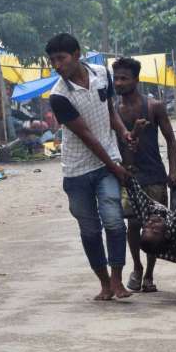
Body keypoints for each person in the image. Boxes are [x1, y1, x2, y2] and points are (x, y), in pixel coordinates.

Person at [46, 33, 133, 301]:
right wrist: (115, 166)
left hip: (106, 164)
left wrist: (122, 131)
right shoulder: (58, 96)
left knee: (115, 222)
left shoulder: (102, 74)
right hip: (77, 170)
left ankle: (117, 281)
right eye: (53, 61)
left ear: (77, 54)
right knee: (90, 230)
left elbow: (110, 111)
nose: (57, 65)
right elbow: (86, 135)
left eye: (61, 58)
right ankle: (104, 282)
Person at [112, 57, 176, 293]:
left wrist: (172, 172)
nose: (119, 83)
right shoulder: (113, 111)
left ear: (136, 80)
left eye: (124, 78)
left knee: (155, 228)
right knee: (132, 225)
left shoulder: (154, 107)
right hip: (129, 177)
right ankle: (137, 268)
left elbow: (171, 141)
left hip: (155, 176)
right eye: (116, 78)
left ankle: (149, 273)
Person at [124, 129, 176, 273]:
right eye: (154, 229)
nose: (150, 223)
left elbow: (129, 180)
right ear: (167, 233)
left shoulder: (149, 218)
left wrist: (131, 147)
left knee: (175, 192)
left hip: (175, 239)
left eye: (146, 228)